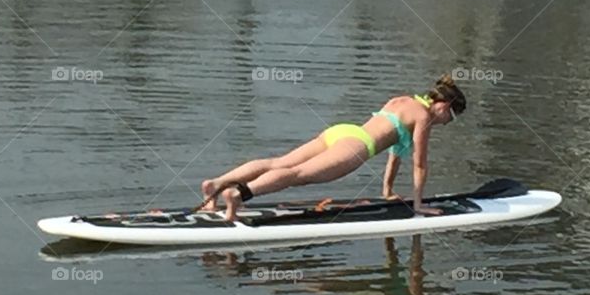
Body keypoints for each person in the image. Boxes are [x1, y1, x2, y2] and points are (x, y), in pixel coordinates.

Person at [200, 74, 467, 222]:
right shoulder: (423, 116)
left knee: (278, 163)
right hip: (356, 146)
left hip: (342, 131)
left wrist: (387, 190)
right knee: (298, 175)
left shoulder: (402, 100)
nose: (445, 123)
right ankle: (239, 195)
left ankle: (217, 184)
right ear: (443, 105)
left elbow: (396, 150)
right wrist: (418, 205)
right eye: (450, 118)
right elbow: (420, 163)